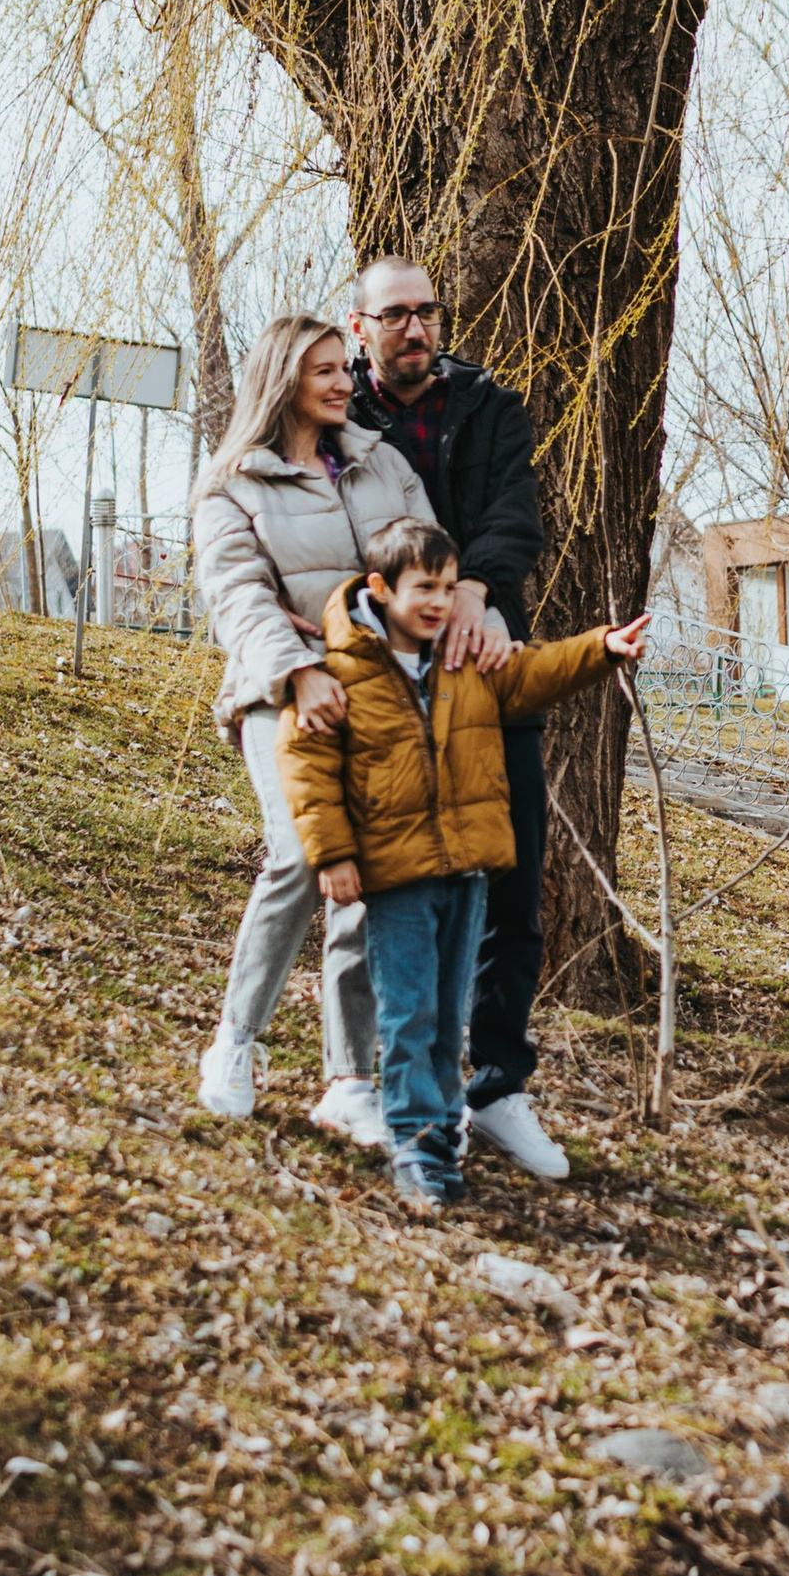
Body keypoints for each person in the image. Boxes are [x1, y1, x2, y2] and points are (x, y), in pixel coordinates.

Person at [277, 513, 648, 1209]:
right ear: (382, 589)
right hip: (397, 879)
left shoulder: (465, 659)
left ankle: (443, 1136)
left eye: (449, 587)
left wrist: (602, 648)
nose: (440, 602)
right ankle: (415, 1142)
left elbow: (534, 673)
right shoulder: (343, 671)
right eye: (425, 587)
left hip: (468, 871)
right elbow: (307, 765)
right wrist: (330, 855)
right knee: (409, 1012)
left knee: (449, 1015)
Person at [341, 258, 569, 1179]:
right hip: (385, 687)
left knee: (511, 874)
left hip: (481, 660)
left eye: (426, 312)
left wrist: (475, 586)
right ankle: (378, 1087)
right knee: (387, 892)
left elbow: (517, 512)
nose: (415, 328)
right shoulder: (337, 420)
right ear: (359, 328)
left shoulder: (489, 409)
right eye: (394, 315)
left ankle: (499, 1083)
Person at [190, 315, 434, 1132]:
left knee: (366, 877)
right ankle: (235, 1039)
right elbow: (237, 596)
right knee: (300, 856)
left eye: (343, 368)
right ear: (283, 379)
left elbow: (422, 562)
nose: (341, 383)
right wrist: (298, 670)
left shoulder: (381, 463)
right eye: (323, 370)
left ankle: (348, 1082)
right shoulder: (232, 485)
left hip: (378, 692)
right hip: (277, 693)